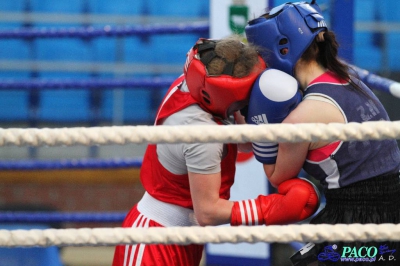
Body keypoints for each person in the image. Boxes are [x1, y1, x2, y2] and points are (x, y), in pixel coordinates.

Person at [112, 35, 320, 266]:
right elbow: (208, 212)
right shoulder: (201, 133)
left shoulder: (195, 82)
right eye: (243, 100)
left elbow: (242, 142)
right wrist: (270, 208)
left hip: (183, 237)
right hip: (154, 242)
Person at [244, 1, 400, 265]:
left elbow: (277, 176)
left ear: (282, 48)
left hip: (359, 223)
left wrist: (259, 121)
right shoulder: (348, 76)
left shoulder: (302, 117)